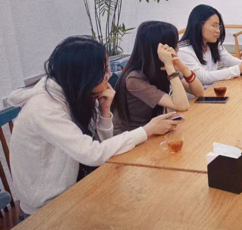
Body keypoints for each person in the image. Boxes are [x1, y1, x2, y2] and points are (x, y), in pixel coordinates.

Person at [7, 36, 182, 215]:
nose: (110, 75)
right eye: (104, 70)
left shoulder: (76, 93)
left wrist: (105, 112)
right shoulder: (45, 108)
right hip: (47, 208)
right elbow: (91, 154)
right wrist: (147, 130)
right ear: (84, 75)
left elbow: (100, 147)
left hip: (78, 186)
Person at [112, 21, 204, 134]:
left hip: (154, 130)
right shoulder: (134, 79)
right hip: (133, 137)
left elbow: (199, 92)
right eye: (175, 44)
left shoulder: (160, 68)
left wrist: (183, 68)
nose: (177, 48)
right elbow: (182, 105)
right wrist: (170, 67)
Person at [177, 4, 242, 86]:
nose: (218, 31)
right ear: (198, 24)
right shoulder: (183, 50)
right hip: (198, 94)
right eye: (214, 26)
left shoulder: (212, 44)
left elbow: (228, 60)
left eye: (218, 27)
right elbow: (202, 78)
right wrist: (238, 69)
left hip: (212, 90)